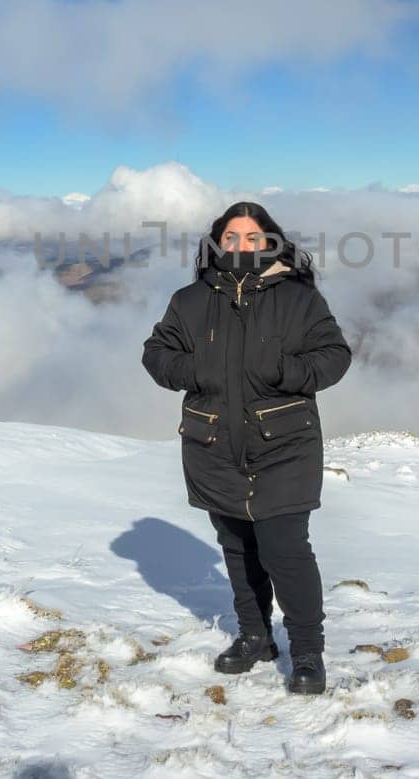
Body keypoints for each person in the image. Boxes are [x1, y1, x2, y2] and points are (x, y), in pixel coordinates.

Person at [140, 200, 353, 694]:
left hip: (284, 444)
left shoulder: (298, 299)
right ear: (216, 245)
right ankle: (255, 637)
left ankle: (306, 651)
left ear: (270, 242)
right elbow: (156, 354)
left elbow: (335, 355)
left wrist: (288, 372)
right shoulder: (191, 300)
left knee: (285, 549)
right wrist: (197, 372)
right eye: (231, 239)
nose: (242, 247)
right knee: (237, 547)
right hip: (213, 443)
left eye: (252, 239)